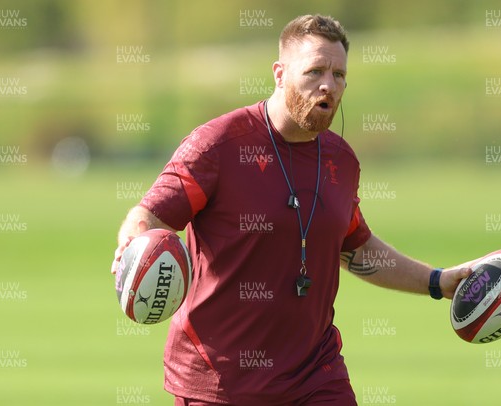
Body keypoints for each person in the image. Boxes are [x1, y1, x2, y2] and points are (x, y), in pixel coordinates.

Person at [112, 14, 472, 405]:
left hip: (316, 377)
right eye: (314, 70)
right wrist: (132, 247)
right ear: (280, 74)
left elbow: (355, 247)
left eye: (339, 75)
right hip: (221, 382)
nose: (328, 85)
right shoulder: (219, 145)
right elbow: (149, 215)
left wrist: (439, 282)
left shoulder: (341, 160)